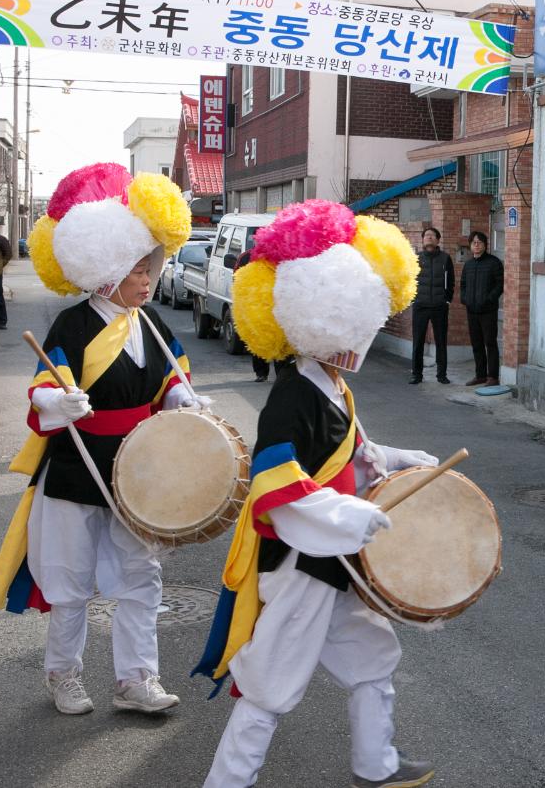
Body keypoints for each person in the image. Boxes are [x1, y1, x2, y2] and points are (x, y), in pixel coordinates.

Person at [195, 199, 439, 788]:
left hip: (335, 562)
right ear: (319, 323)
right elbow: (277, 489)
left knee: (374, 658)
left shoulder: (329, 385)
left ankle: (375, 762)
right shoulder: (291, 397)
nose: (363, 338)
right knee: (271, 682)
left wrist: (393, 461)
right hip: (302, 566)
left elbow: (351, 452)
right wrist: (346, 514)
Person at [0, 162, 200, 717]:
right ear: (107, 274)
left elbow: (173, 379)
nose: (148, 280)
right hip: (76, 467)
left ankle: (136, 680)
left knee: (139, 579)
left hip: (137, 471)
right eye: (138, 271)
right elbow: (40, 390)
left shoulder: (152, 324)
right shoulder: (72, 326)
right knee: (71, 583)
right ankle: (63, 675)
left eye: (150, 269)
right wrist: (61, 401)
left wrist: (181, 400)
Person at [409, 227, 453, 385]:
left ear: (438, 240)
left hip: (439, 306)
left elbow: (451, 281)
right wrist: (414, 299)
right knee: (418, 341)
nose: (429, 238)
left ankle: (442, 375)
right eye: (426, 236)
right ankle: (416, 374)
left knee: (441, 341)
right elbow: (410, 280)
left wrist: (447, 300)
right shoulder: (416, 258)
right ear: (423, 240)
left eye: (432, 236)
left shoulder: (445, 259)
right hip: (420, 305)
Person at [459, 231, 503, 387]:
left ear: (485, 244)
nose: (476, 245)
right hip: (471, 310)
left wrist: (489, 299)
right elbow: (463, 285)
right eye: (473, 242)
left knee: (490, 343)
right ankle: (480, 375)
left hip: (488, 310)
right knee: (476, 343)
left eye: (479, 242)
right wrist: (465, 299)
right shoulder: (468, 264)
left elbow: (499, 285)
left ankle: (493, 376)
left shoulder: (494, 262)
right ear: (470, 246)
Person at [234, 246, 284, 382]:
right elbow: (237, 279)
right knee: (258, 339)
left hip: (275, 303)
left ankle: (273, 374)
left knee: (278, 340)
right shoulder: (246, 256)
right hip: (255, 305)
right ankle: (263, 373)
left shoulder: (279, 254)